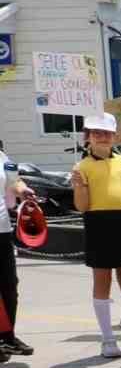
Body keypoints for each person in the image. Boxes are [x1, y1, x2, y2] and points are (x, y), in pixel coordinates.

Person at [71, 113, 121, 358]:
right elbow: (82, 207)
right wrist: (80, 185)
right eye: (96, 133)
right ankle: (107, 340)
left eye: (106, 133)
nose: (102, 137)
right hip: (98, 225)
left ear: (115, 136)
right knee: (102, 280)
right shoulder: (81, 167)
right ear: (88, 137)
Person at [0, 145, 36, 356]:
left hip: (2, 229)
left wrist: (23, 190)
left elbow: (14, 180)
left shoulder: (1, 155)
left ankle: (7, 336)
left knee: (9, 285)